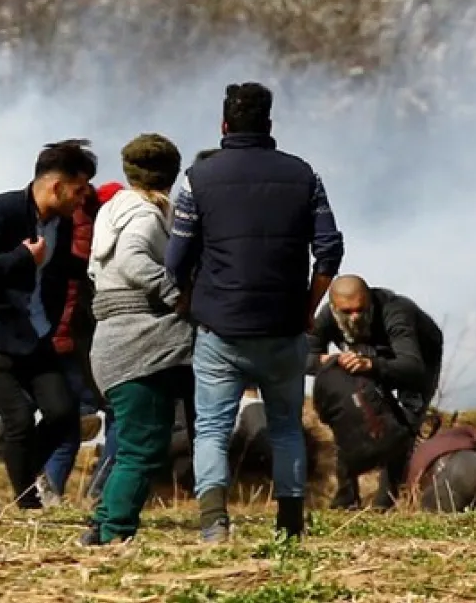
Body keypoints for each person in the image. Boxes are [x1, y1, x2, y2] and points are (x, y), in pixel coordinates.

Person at [165, 82, 345, 542]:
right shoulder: (303, 175)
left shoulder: (197, 178)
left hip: (220, 330)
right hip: (284, 329)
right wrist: (309, 307)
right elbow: (329, 250)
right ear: (268, 125)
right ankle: (289, 522)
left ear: (224, 126)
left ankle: (214, 522)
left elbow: (175, 259)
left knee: (211, 428)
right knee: (286, 425)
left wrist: (188, 302)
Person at [0, 139, 93, 510]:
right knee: (18, 417)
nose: (81, 200)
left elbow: (61, 268)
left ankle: (22, 472)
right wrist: (19, 258)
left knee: (64, 413)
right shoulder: (0, 210)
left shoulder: (61, 224)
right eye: (78, 190)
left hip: (34, 336)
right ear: (56, 186)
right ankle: (26, 502)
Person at [78, 134, 194, 545]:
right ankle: (115, 533)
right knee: (143, 449)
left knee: (132, 444)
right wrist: (174, 293)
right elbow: (131, 259)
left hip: (114, 338)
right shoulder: (146, 215)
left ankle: (102, 524)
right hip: (141, 341)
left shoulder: (113, 210)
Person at [307, 274, 443, 510]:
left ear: (370, 300)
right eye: (347, 312)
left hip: (416, 361)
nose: (355, 317)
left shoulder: (397, 311)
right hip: (368, 357)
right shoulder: (327, 316)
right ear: (334, 308)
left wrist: (372, 365)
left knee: (402, 429)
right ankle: (345, 502)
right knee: (347, 416)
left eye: (361, 309)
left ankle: (386, 503)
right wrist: (329, 360)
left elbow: (412, 367)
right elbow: (300, 358)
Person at [38, 187, 104, 504]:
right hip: (75, 337)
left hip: (57, 334)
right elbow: (75, 289)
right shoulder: (83, 225)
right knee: (89, 417)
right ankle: (97, 489)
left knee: (67, 420)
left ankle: (45, 490)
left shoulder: (48, 221)